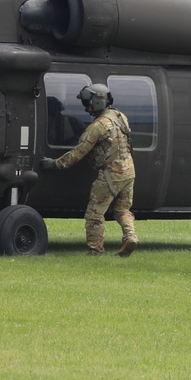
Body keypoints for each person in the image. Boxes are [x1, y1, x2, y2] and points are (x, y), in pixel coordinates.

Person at [40, 84, 138, 257]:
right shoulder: (120, 116)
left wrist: (54, 164)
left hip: (110, 174)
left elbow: (78, 153)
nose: (86, 107)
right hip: (129, 170)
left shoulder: (97, 127)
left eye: (87, 103)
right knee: (122, 210)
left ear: (96, 103)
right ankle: (130, 236)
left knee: (94, 214)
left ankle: (95, 250)